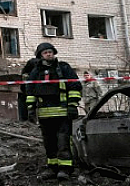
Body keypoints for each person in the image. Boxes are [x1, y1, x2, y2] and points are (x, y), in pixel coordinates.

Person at [25, 42, 82, 181]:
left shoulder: (63, 68)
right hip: (44, 115)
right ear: (40, 55)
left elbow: (75, 86)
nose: (48, 54)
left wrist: (72, 105)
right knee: (49, 143)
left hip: (62, 113)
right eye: (45, 52)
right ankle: (52, 168)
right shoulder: (36, 72)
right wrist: (31, 109)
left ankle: (65, 169)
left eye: (50, 52)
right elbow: (30, 91)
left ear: (54, 53)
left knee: (63, 142)